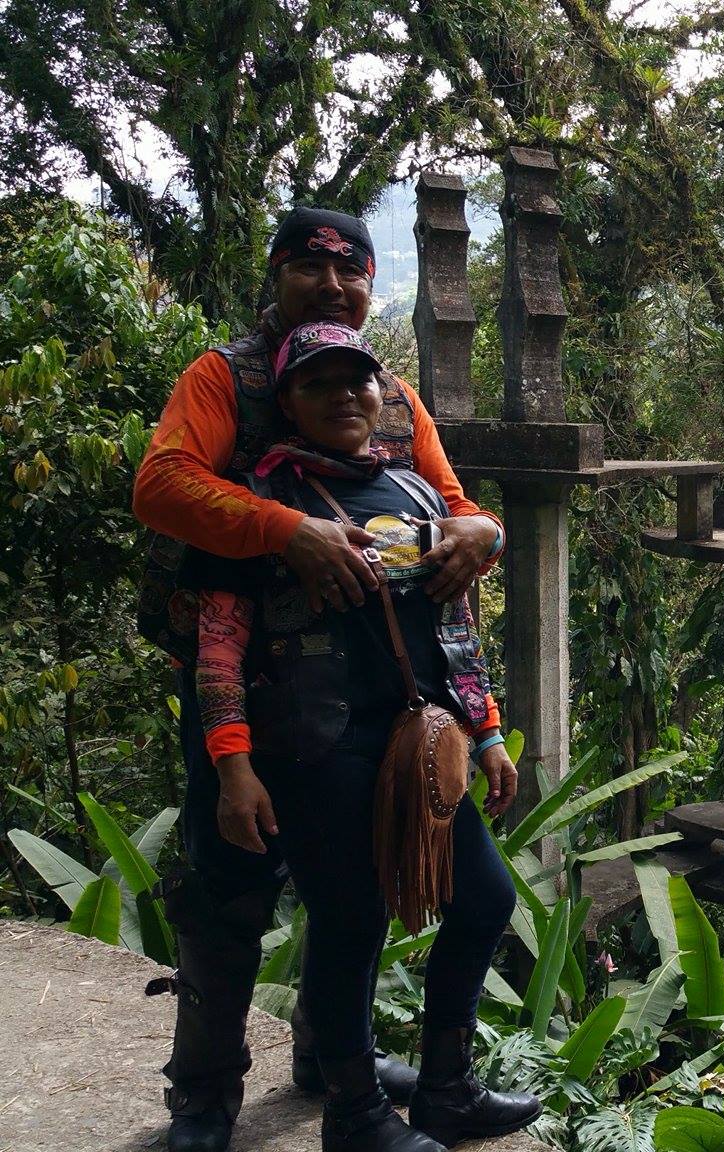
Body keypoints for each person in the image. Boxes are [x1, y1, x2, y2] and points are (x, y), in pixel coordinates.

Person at [131, 206, 503, 1152]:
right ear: (277, 276)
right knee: (234, 885)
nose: (333, 286)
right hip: (244, 680)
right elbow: (162, 485)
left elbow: (449, 513)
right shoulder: (228, 378)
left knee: (355, 895)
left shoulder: (394, 398)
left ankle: (327, 1061)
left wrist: (483, 533)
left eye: (352, 275)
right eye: (311, 270)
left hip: (377, 698)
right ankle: (205, 1093)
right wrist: (286, 528)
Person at [188, 322, 537, 1152]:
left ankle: (448, 1087)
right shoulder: (259, 507)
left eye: (360, 380)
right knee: (352, 921)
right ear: (286, 402)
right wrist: (234, 767)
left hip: (420, 745)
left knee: (485, 899)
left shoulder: (417, 493)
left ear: (384, 396)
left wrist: (486, 730)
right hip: (315, 747)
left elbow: (454, 625)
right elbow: (219, 644)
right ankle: (353, 1113)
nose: (344, 396)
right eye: (318, 384)